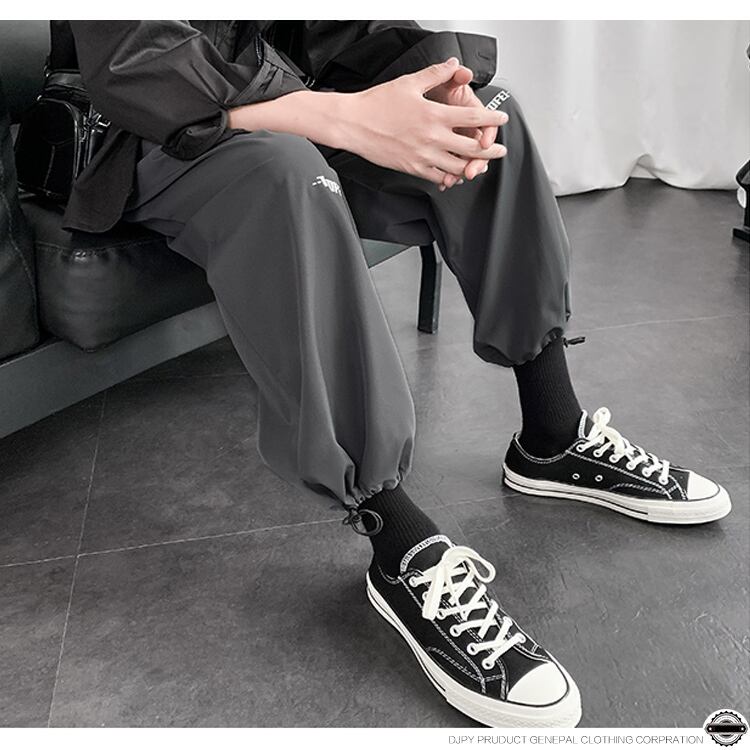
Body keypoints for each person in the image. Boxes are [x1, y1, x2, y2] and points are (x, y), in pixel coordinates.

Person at [65, 21, 731, 728]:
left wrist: (438, 80)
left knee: (484, 114)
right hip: (147, 132)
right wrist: (338, 116)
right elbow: (136, 60)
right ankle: (398, 543)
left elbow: (331, 31)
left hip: (282, 99)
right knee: (284, 170)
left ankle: (553, 432)